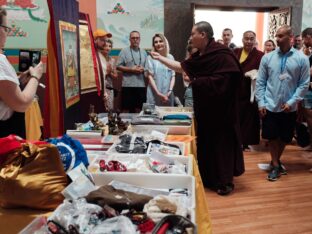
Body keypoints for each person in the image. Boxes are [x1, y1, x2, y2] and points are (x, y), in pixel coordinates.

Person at [151, 21, 245, 195]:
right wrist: (160, 58)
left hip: (223, 112)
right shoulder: (202, 55)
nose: (190, 37)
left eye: (193, 33)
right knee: (208, 143)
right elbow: (182, 67)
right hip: (207, 110)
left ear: (203, 35)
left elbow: (229, 80)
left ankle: (225, 182)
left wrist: (199, 82)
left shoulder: (222, 54)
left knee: (221, 146)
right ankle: (210, 177)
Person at [255, 25, 310, 181]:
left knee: (285, 138)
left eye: (280, 36)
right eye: (276, 36)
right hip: (270, 104)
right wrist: (261, 103)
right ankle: (275, 164)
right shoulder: (267, 58)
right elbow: (260, 82)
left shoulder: (301, 59)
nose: (277, 39)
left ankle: (276, 162)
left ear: (290, 37)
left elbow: (304, 84)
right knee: (272, 137)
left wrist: (292, 101)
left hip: (289, 107)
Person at [0, 7, 43, 138]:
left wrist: (18, 80)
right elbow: (22, 103)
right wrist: (35, 76)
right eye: (6, 29)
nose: (7, 33)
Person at [234, 31, 264, 151]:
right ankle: (236, 141)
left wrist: (255, 73)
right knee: (236, 116)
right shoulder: (236, 52)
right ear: (242, 40)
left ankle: (246, 142)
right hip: (236, 89)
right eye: (247, 39)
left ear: (255, 40)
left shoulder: (260, 55)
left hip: (251, 90)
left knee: (249, 117)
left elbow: (263, 72)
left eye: (251, 39)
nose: (249, 41)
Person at [117, 31, 148, 113]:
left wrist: (143, 69)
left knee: (140, 110)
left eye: (137, 38)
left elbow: (147, 68)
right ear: (130, 39)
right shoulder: (124, 51)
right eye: (133, 38)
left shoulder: (144, 52)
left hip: (141, 86)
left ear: (140, 39)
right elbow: (118, 66)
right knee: (126, 110)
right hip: (127, 86)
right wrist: (131, 70)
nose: (135, 40)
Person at [146, 33, 175, 106]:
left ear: (165, 42)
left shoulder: (170, 57)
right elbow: (150, 77)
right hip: (154, 93)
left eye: (160, 41)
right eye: (156, 42)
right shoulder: (150, 58)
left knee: (167, 115)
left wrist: (170, 91)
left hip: (168, 93)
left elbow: (173, 76)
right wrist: (158, 93)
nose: (158, 44)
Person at [93, 29, 112, 110]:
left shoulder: (100, 55)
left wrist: (104, 92)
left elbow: (102, 77)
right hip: (95, 94)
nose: (105, 43)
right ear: (94, 40)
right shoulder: (91, 55)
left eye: (106, 40)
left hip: (102, 93)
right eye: (102, 40)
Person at [300, 28, 312, 150]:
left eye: (304, 39)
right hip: (307, 87)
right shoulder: (308, 51)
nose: (303, 42)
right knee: (308, 117)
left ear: (308, 37)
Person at [101, 38, 118, 111]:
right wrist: (106, 73)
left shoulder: (112, 60)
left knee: (110, 110)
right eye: (105, 46)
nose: (108, 48)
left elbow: (116, 76)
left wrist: (110, 72)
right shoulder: (98, 59)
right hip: (100, 89)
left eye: (110, 46)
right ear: (102, 47)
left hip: (109, 88)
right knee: (100, 110)